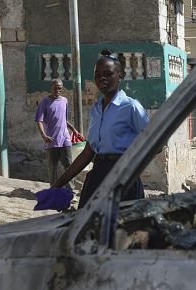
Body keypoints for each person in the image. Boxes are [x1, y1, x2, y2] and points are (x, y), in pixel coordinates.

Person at [53, 49, 150, 208]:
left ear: (120, 75)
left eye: (108, 73)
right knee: (88, 228)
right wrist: (58, 183)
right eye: (98, 75)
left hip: (124, 179)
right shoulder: (96, 109)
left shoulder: (131, 107)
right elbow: (88, 152)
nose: (102, 78)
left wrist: (131, 167)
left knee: (121, 229)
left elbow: (156, 143)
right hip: (97, 177)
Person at [35, 79, 76, 187]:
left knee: (68, 165)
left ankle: (71, 191)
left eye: (60, 88)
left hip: (65, 139)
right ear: (51, 88)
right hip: (51, 140)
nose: (58, 90)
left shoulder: (65, 101)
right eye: (55, 88)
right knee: (52, 167)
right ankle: (53, 190)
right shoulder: (44, 102)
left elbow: (64, 119)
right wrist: (44, 136)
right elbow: (39, 120)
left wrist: (73, 130)